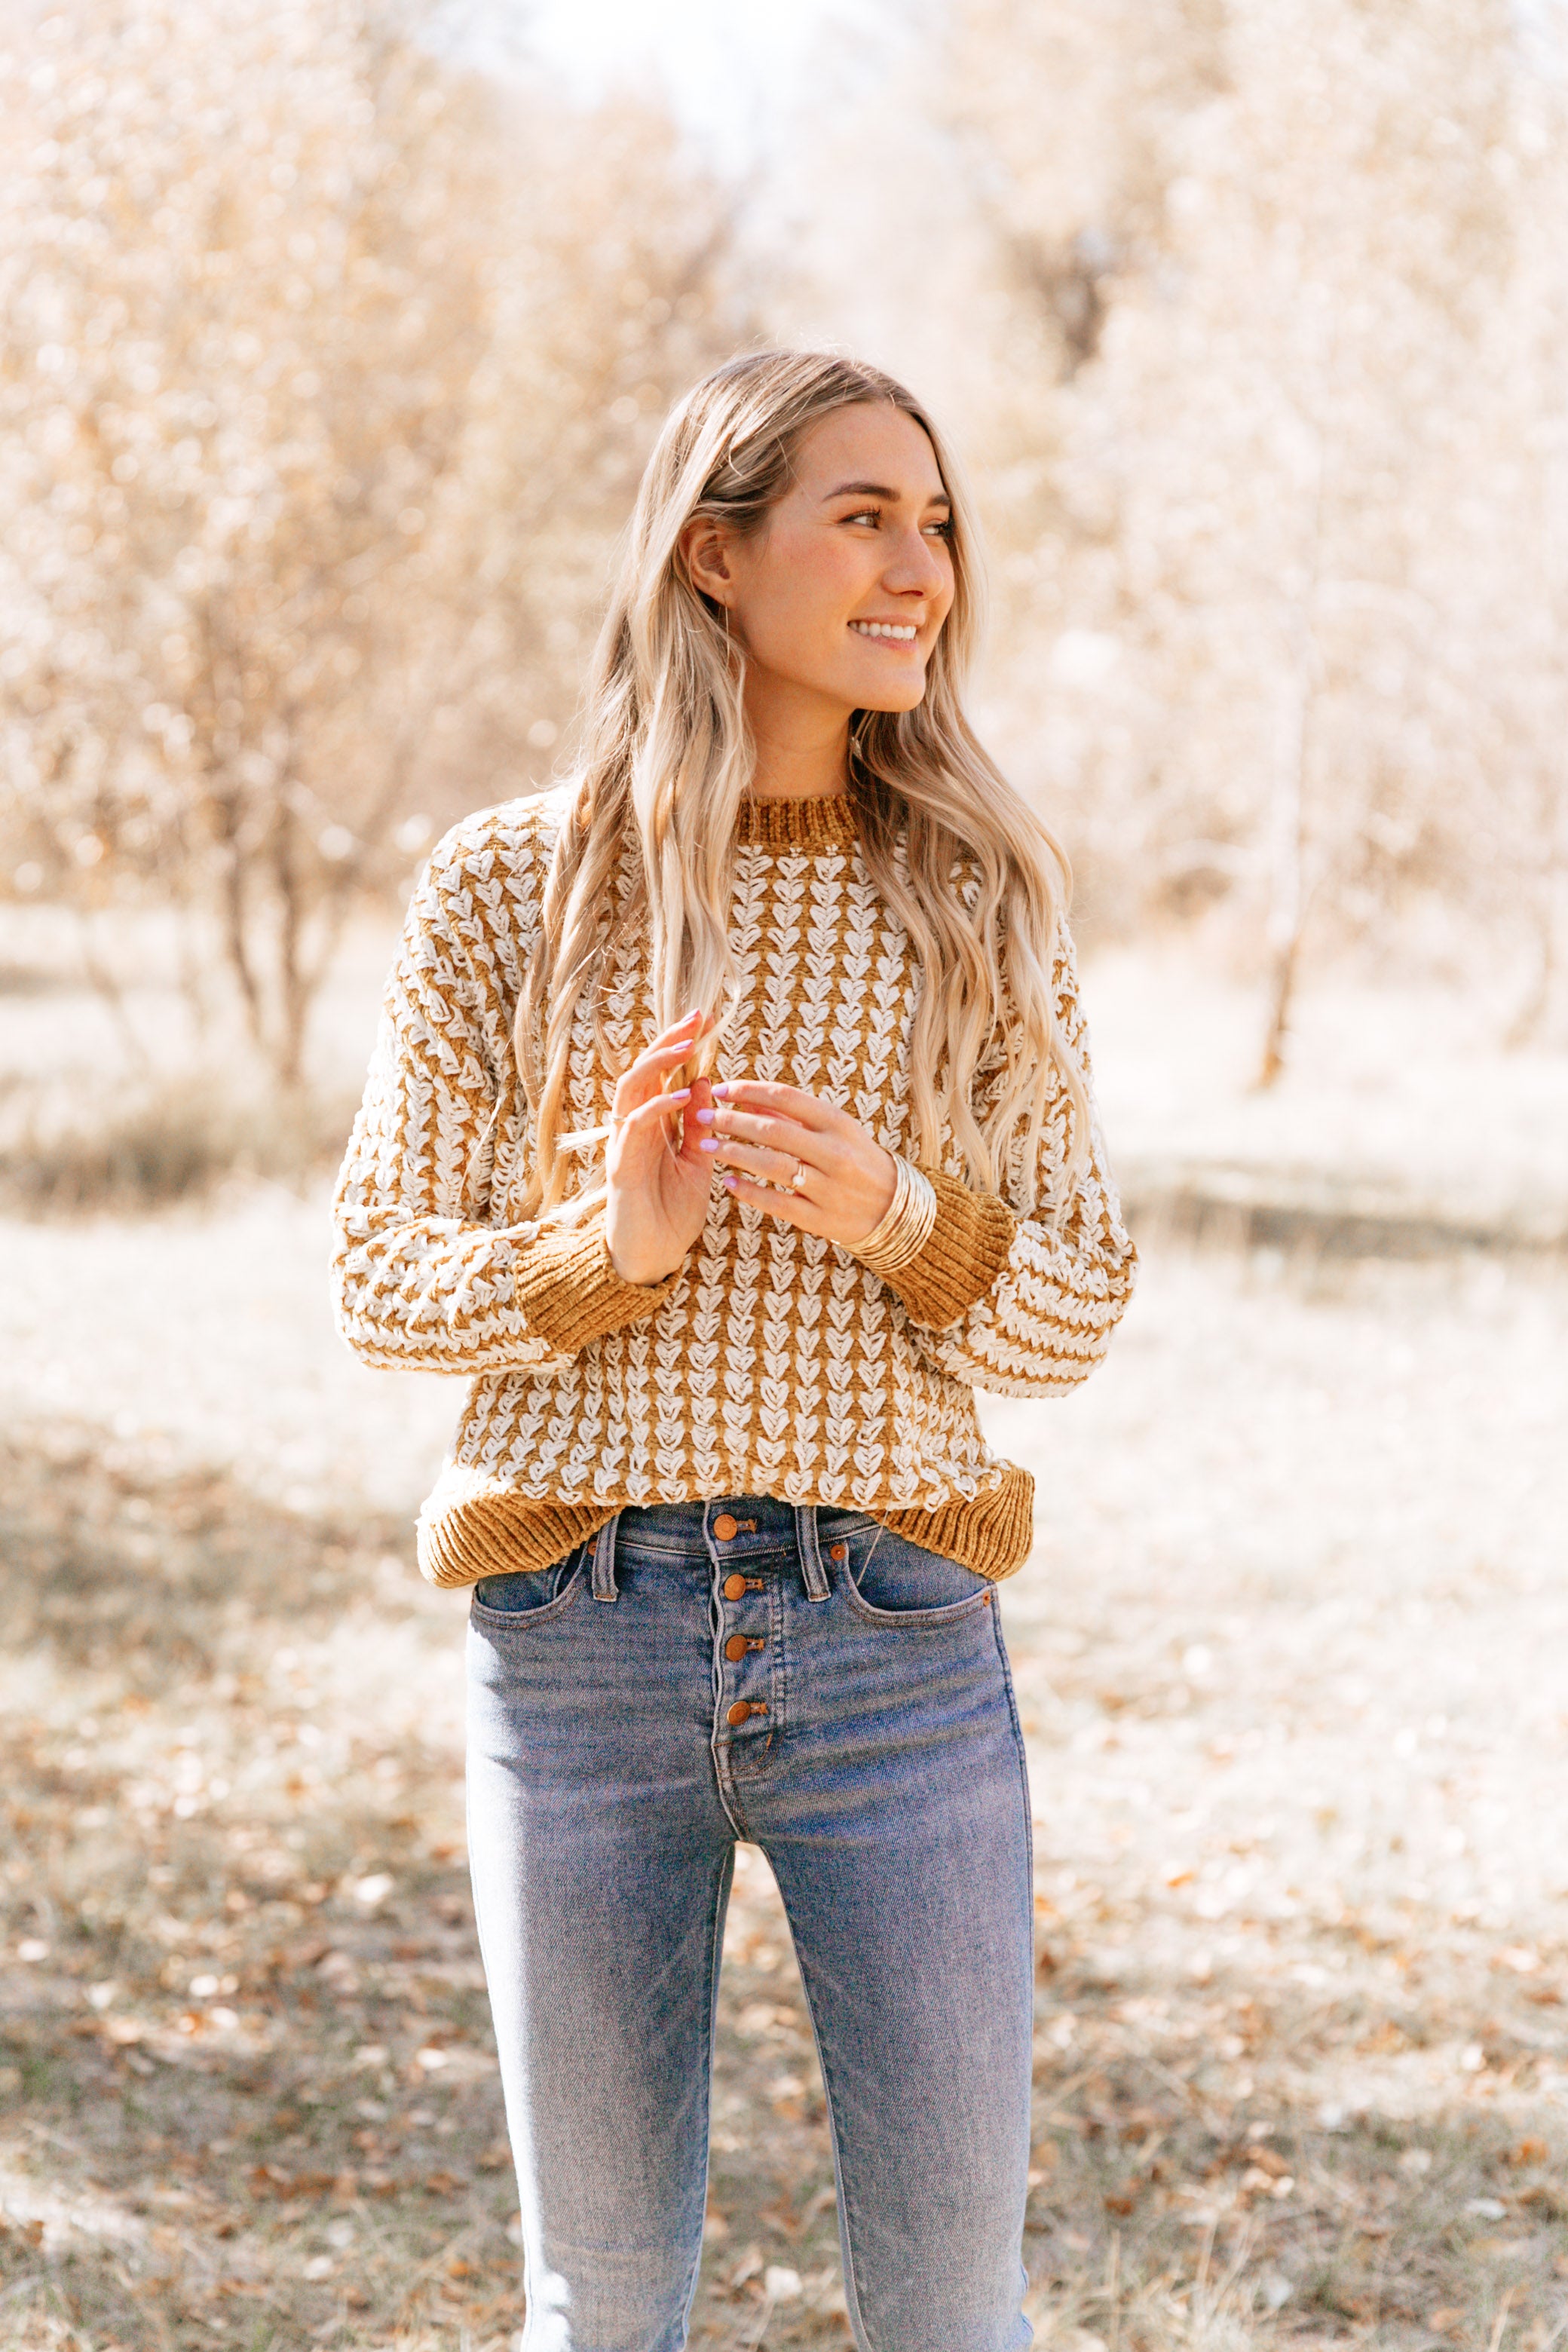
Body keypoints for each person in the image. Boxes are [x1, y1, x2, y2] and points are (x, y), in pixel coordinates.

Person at [332, 348, 1136, 2352]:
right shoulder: (515, 887)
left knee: (952, 2309)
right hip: (581, 1646)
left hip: (896, 1645)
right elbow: (372, 1275)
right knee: (599, 2307)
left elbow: (1080, 1299)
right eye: (864, 516)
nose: (923, 568)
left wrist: (901, 1218)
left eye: (936, 522)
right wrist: (601, 1251)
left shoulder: (974, 895)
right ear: (714, 556)